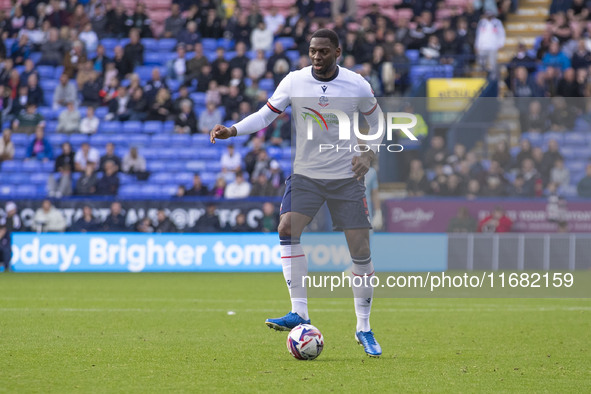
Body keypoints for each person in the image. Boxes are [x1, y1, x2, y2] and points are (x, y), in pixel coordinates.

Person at [209, 29, 383, 357]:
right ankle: (299, 312)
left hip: (346, 177)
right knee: (286, 228)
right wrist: (233, 130)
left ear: (338, 52)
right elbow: (265, 115)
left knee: (360, 250)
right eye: (312, 51)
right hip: (307, 174)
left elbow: (377, 122)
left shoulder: (357, 84)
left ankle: (363, 327)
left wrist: (369, 153)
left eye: (323, 52)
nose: (316, 57)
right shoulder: (294, 81)